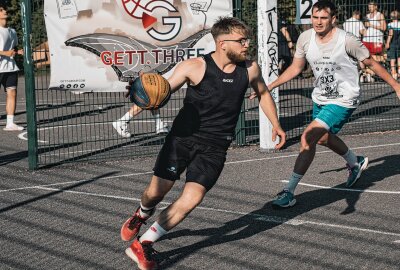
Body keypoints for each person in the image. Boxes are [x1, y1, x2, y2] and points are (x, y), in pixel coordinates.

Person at [121, 16, 286, 270]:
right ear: (222, 43)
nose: (246, 45)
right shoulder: (194, 66)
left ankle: (143, 243)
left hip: (216, 146)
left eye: (247, 40)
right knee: (156, 192)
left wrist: (275, 124)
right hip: (182, 140)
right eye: (241, 40)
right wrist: (142, 97)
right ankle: (142, 214)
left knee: (192, 198)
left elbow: (263, 93)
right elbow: (162, 91)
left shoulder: (250, 68)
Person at [267, 0, 400, 208]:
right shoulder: (305, 38)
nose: (318, 22)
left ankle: (288, 192)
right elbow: (295, 68)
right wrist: (272, 85)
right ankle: (355, 162)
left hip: (344, 98)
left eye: (323, 18)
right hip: (320, 97)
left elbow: (372, 63)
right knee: (320, 139)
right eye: (315, 17)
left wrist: (396, 85)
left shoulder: (347, 41)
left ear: (333, 19)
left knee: (307, 137)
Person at [0, 4, 23, 131]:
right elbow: (5, 51)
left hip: (10, 67)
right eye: (1, 10)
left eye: (4, 9)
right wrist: (4, 53)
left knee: (12, 93)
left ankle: (10, 123)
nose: (5, 11)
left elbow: (13, 49)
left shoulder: (12, 31)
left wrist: (18, 51)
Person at [362, 1, 387, 82]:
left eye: (371, 6)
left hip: (376, 39)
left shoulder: (379, 15)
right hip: (367, 39)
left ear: (376, 7)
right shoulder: (367, 15)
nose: (369, 8)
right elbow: (366, 28)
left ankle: (375, 73)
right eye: (369, 7)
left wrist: (371, 25)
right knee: (366, 58)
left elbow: (384, 28)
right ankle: (370, 74)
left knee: (377, 58)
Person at [385, 10, 400, 80]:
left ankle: (394, 73)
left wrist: (387, 42)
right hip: (399, 43)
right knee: (399, 58)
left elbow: (390, 34)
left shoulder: (390, 25)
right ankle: (399, 71)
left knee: (392, 59)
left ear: (391, 17)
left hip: (393, 43)